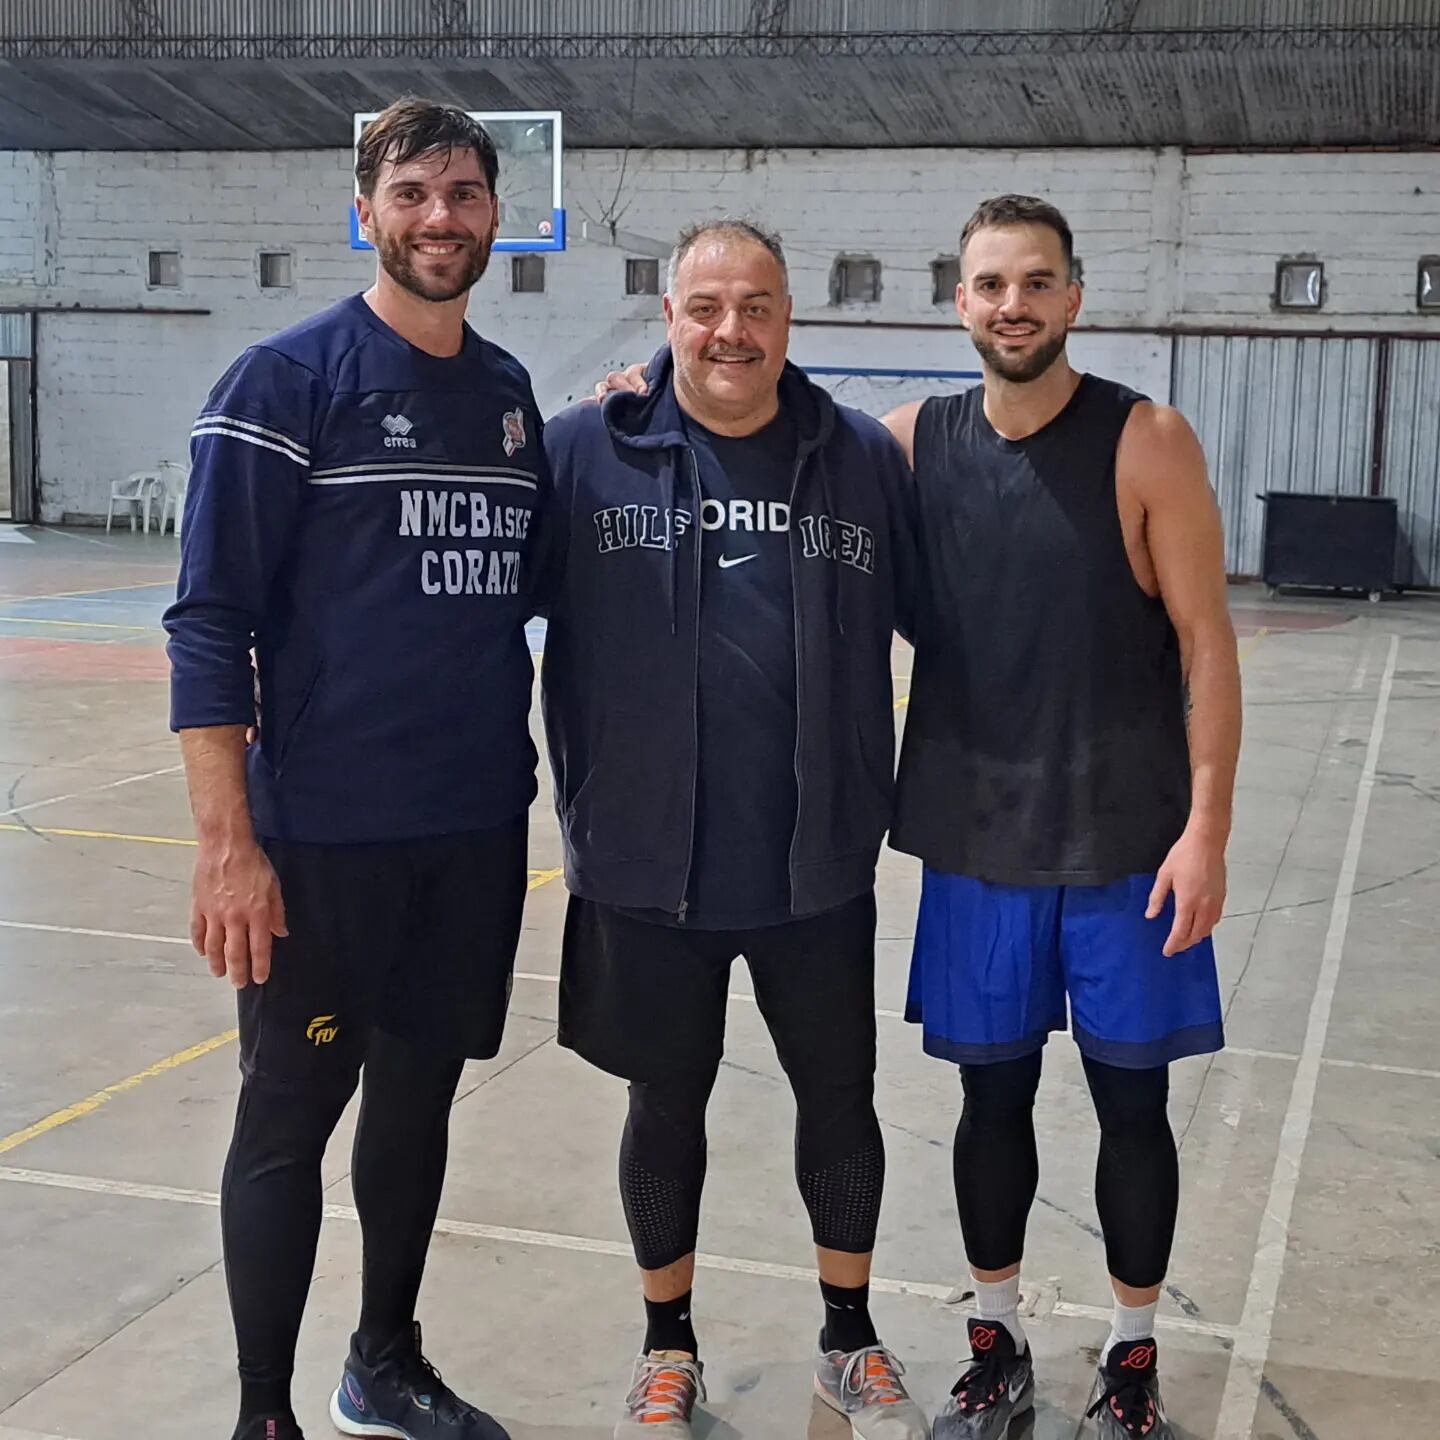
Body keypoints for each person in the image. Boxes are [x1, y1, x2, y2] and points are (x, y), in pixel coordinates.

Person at [163, 98, 547, 1440]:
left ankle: (384, 1360)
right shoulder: (281, 385)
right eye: (414, 194)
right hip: (323, 840)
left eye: (464, 193)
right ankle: (264, 1413)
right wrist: (228, 843)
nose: (441, 217)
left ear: (497, 215)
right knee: (289, 1122)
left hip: (474, 831)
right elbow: (209, 623)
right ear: (366, 214)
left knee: (420, 1104)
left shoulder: (505, 400)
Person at [536, 218, 926, 1440]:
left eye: (754, 306)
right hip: (650, 863)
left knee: (841, 1099)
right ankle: (668, 1345)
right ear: (668, 314)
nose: (730, 331)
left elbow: (951, 626)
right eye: (706, 306)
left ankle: (850, 1337)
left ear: (788, 317)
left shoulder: (861, 461)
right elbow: (473, 619)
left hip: (814, 861)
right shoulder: (582, 453)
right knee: (666, 1106)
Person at [883, 194, 1241, 1440]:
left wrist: (1208, 831)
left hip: (1129, 845)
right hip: (978, 842)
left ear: (1074, 296)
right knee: (991, 1107)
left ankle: (1132, 1360)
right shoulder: (913, 444)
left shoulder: (1146, 439)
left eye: (1036, 282)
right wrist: (641, 396)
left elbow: (1207, 644)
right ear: (959, 301)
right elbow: (763, 446)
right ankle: (998, 1341)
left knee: (1133, 1106)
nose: (1013, 304)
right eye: (990, 283)